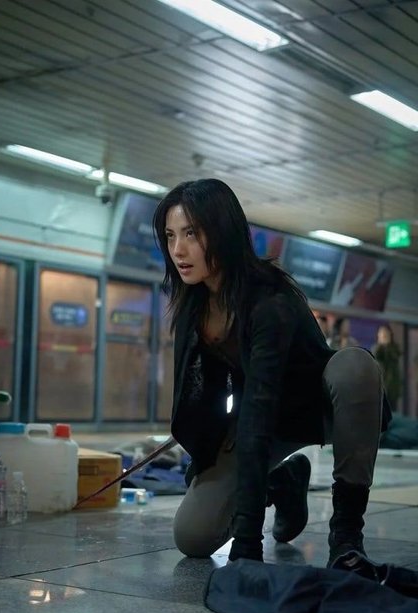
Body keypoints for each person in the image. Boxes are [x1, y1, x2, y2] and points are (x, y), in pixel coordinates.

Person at [153, 178, 391, 569]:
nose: (178, 249)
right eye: (170, 235)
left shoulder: (270, 298)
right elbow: (204, 401)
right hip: (259, 418)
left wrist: (248, 539)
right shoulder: (193, 308)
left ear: (223, 232)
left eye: (191, 233)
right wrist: (206, 457)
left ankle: (347, 534)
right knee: (193, 536)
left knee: (355, 366)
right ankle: (283, 481)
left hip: (317, 406)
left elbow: (260, 403)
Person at [372, 324, 402, 412]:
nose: (384, 335)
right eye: (382, 333)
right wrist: (381, 345)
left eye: (386, 333)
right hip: (380, 387)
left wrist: (387, 346)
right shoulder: (376, 348)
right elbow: (376, 355)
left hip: (392, 387)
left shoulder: (394, 348)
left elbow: (395, 355)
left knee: (392, 411)